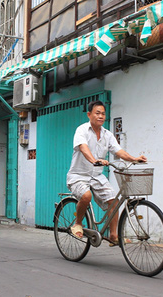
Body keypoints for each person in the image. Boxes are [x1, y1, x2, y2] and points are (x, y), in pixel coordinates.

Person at [66, 100, 147, 246]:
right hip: (78, 176)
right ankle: (77, 223)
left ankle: (113, 236)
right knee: (86, 196)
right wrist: (94, 160)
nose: (101, 116)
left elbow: (119, 151)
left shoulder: (107, 135)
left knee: (114, 201)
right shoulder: (82, 130)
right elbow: (83, 148)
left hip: (96, 176)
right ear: (89, 115)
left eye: (103, 113)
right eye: (97, 113)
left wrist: (134, 159)